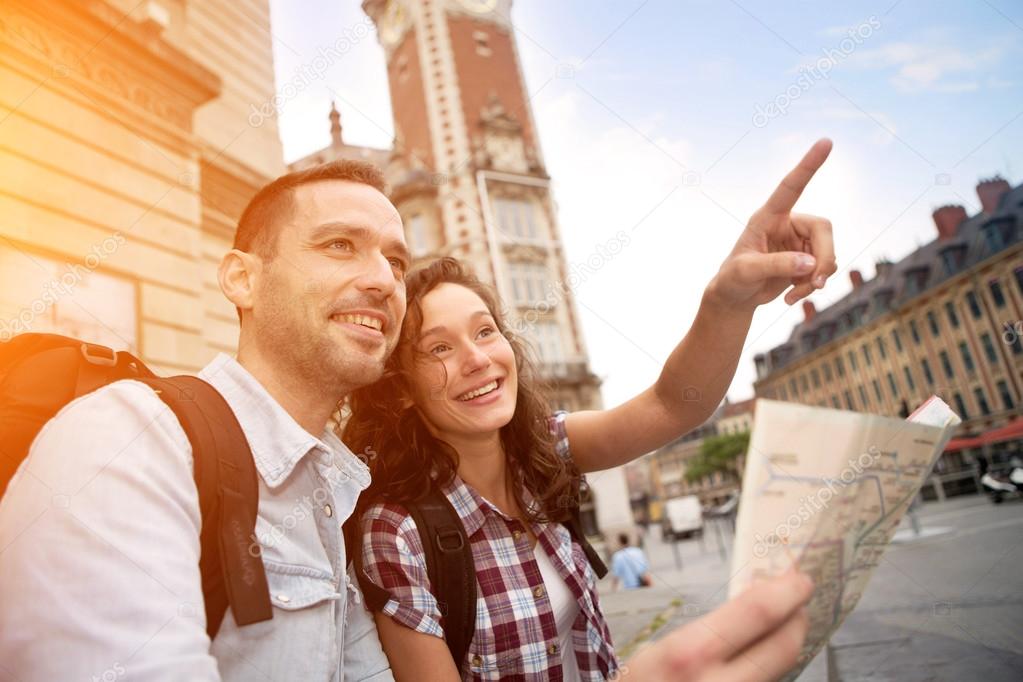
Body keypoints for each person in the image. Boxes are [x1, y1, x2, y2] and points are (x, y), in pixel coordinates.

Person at [345, 140, 836, 681]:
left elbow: (675, 403)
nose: (477, 359)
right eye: (439, 348)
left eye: (486, 331)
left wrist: (729, 298)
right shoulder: (395, 531)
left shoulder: (543, 451)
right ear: (404, 388)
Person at [0, 159, 409, 680]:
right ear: (242, 279)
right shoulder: (130, 438)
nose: (383, 280)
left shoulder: (335, 491)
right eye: (338, 245)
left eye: (397, 262)